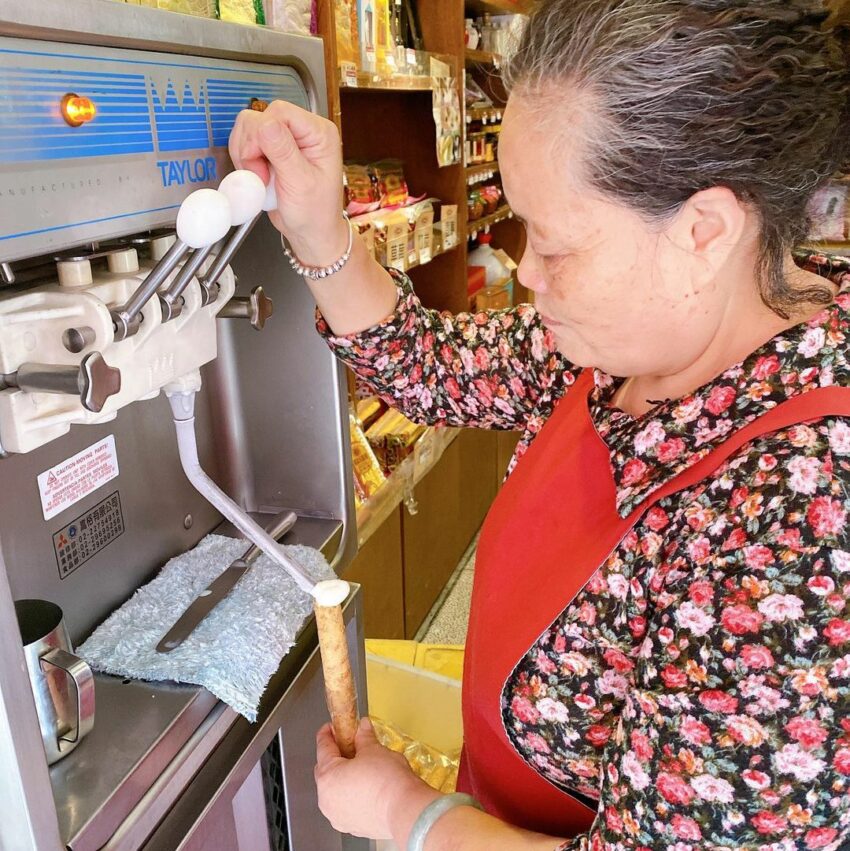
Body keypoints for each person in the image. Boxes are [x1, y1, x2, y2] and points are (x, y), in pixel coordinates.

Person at [230, 0, 850, 847]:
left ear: (704, 230)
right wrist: (318, 225)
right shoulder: (625, 344)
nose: (525, 271)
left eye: (556, 246)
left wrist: (404, 815)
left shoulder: (803, 519)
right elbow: (430, 366)